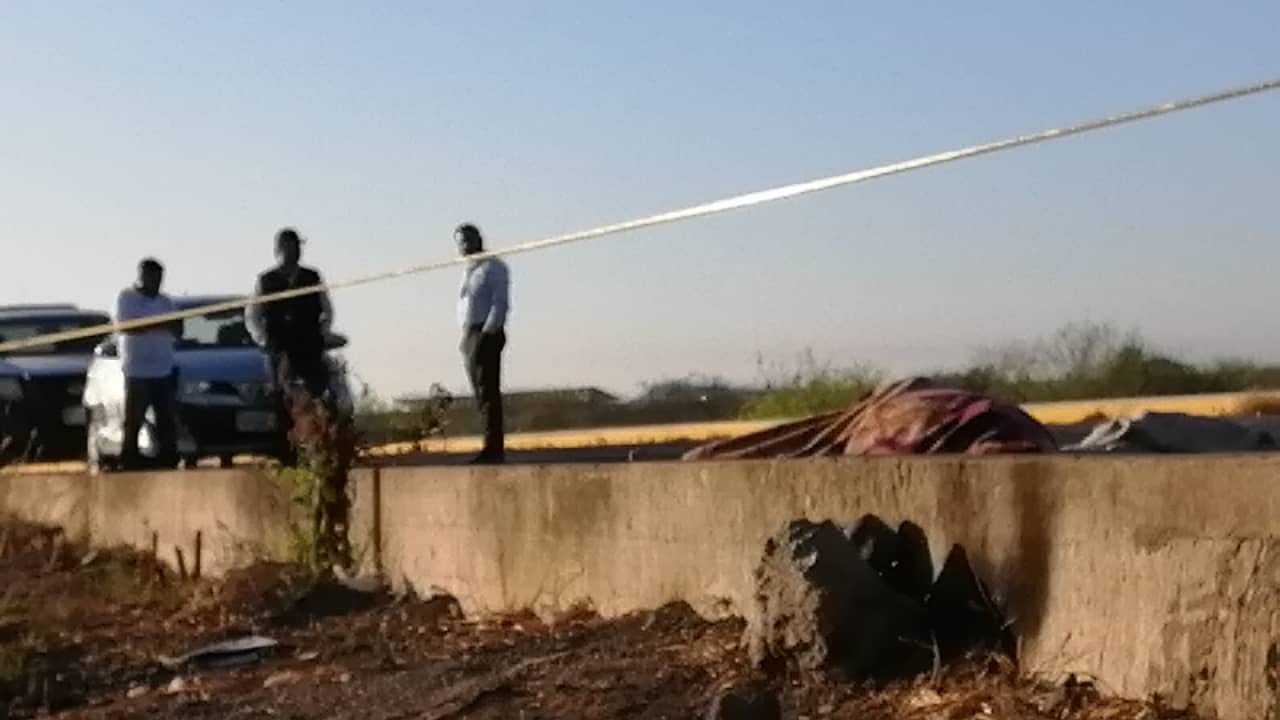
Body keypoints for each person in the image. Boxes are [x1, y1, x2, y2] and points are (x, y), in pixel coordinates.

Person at [245, 228, 335, 459]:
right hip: (280, 349)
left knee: (317, 395)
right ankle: (285, 454)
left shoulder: (312, 277)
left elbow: (327, 309)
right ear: (278, 250)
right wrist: (264, 339)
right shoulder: (265, 280)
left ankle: (318, 449)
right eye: (287, 247)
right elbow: (253, 315)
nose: (293, 251)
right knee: (281, 400)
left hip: (309, 346)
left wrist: (321, 333)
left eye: (296, 247)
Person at [115, 258, 179, 469]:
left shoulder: (166, 302)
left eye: (159, 277)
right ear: (142, 276)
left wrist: (155, 326)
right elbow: (129, 327)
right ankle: (129, 459)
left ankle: (167, 458)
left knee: (166, 418)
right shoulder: (127, 298)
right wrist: (160, 325)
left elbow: (177, 328)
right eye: (152, 276)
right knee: (134, 418)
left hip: (163, 367)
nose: (156, 281)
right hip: (137, 369)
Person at [455, 223, 510, 464]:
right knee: (479, 392)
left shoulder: (492, 267)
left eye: (467, 240)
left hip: (485, 332)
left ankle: (493, 448)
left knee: (488, 391)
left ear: (478, 239)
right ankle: (488, 444)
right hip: (468, 333)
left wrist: (488, 333)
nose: (463, 246)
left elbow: (500, 302)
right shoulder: (468, 269)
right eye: (460, 242)